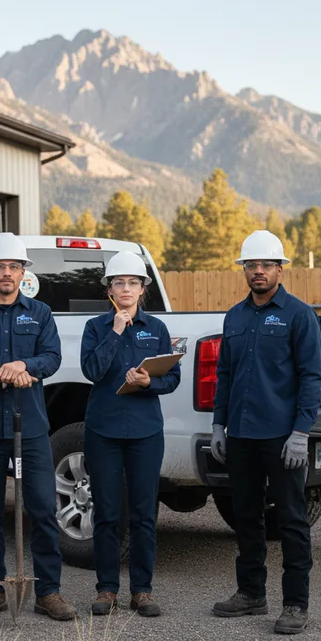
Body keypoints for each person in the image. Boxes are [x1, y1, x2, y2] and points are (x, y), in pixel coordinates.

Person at [0, 232, 76, 621]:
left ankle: (48, 592)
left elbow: (52, 356)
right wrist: (1, 373)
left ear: (24, 272)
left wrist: (25, 365)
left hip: (32, 428)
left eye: (14, 266)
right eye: (0, 266)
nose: (7, 272)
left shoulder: (40, 313)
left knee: (43, 509)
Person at [210, 230, 321, 635]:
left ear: (280, 269)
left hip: (281, 436)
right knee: (246, 516)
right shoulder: (235, 317)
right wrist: (218, 424)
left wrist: (301, 432)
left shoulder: (299, 315)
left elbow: (311, 377)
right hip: (241, 434)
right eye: (251, 265)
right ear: (244, 269)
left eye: (266, 265)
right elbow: (225, 374)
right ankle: (251, 593)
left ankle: (295, 604)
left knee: (291, 519)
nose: (258, 270)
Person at [80, 251, 181, 617]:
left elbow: (172, 378)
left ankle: (142, 590)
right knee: (107, 513)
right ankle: (107, 588)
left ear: (142, 289)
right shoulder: (96, 327)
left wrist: (149, 381)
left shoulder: (157, 328)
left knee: (143, 514)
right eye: (119, 282)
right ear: (109, 289)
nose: (126, 288)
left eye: (133, 283)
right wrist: (116, 331)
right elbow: (92, 371)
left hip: (145, 431)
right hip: (103, 430)